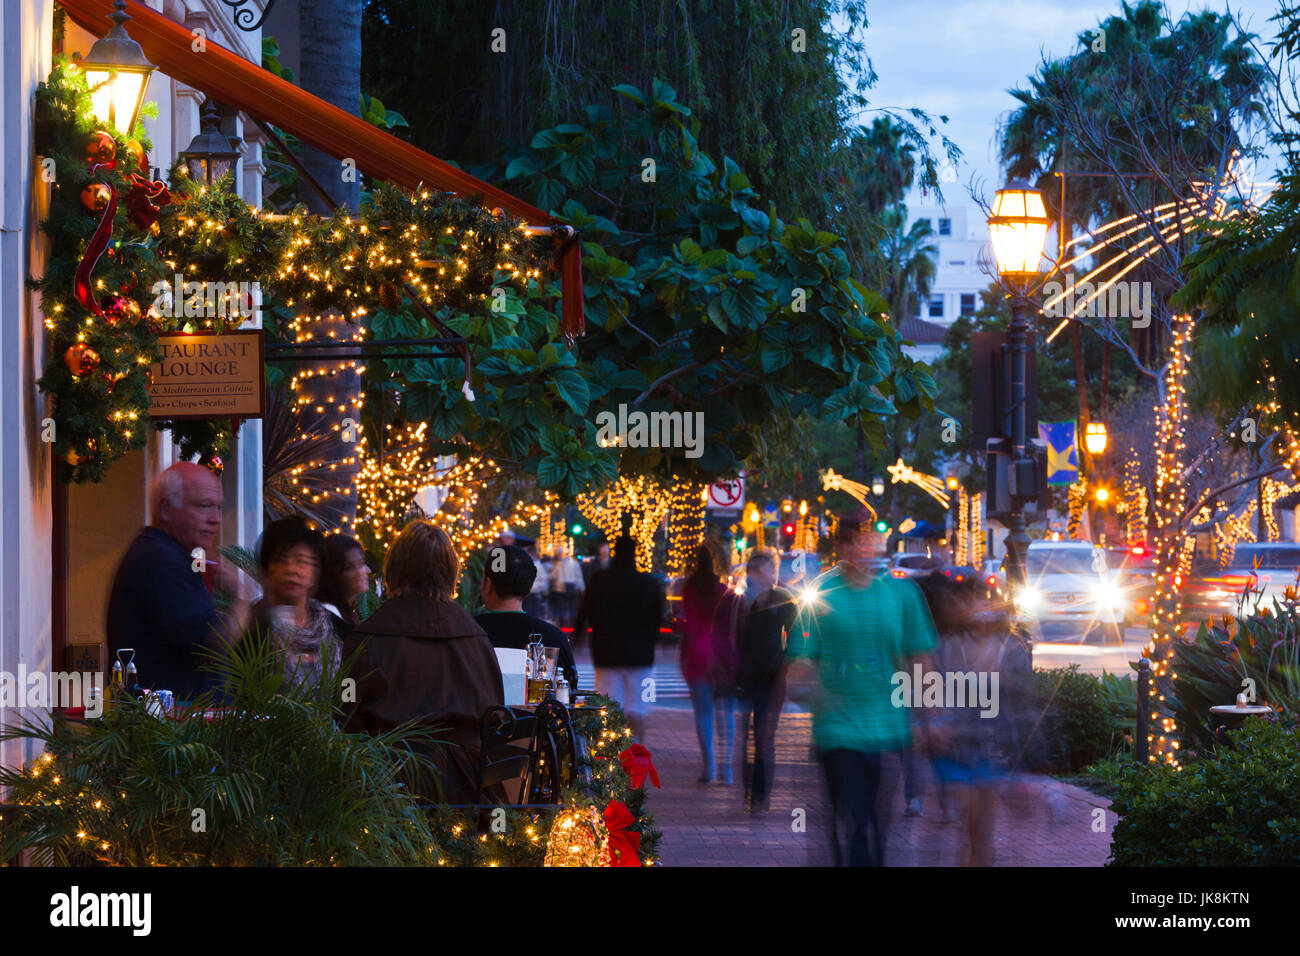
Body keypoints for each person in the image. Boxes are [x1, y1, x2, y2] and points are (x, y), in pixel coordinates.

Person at [788, 510, 937, 866]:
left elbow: (920, 658)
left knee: (876, 824)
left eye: (869, 539)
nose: (864, 547)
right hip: (837, 731)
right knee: (854, 822)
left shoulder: (902, 594)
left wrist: (931, 717)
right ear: (842, 546)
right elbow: (799, 661)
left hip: (888, 731)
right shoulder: (821, 593)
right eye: (856, 540)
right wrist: (807, 677)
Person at [342, 520, 504, 804]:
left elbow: (345, 718)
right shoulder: (476, 638)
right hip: (468, 793)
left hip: (388, 793)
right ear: (450, 572)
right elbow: (495, 716)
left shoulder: (367, 637)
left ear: (394, 568)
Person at [106, 461, 252, 700]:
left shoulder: (168, 554)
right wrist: (241, 598)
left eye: (218, 507)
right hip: (170, 728)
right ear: (165, 508)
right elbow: (213, 644)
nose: (215, 519)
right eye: (204, 506)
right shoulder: (160, 560)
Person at [716, 548, 797, 812]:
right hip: (746, 676)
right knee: (747, 737)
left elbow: (797, 634)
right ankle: (749, 787)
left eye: (769, 570)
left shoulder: (783, 599)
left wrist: (786, 661)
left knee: (763, 736)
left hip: (772, 677)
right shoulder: (740, 601)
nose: (769, 575)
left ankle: (760, 794)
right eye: (763, 570)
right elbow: (728, 636)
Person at [573, 534, 663, 743]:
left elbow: (584, 612)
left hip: (607, 654)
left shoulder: (599, 581)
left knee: (608, 710)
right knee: (637, 712)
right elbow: (657, 620)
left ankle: (612, 762)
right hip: (641, 656)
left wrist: (577, 639)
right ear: (635, 555)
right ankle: (636, 756)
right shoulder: (649, 583)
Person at [246, 517, 343, 692]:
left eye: (302, 561)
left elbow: (348, 695)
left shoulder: (338, 631)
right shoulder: (249, 629)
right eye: (280, 560)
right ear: (265, 570)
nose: (291, 569)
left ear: (316, 572)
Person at [475, 544, 579, 688]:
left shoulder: (466, 631)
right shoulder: (552, 637)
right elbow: (568, 693)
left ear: (487, 584)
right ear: (529, 587)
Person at [678, 545, 734, 784]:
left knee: (703, 712)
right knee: (726, 712)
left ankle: (709, 767)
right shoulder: (722, 589)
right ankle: (727, 770)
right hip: (721, 651)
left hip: (697, 650)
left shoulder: (689, 589)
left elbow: (688, 624)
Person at [316, 534, 371, 636]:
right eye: (359, 565)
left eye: (363, 563)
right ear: (333, 572)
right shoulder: (326, 620)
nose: (368, 571)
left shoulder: (347, 616)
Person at [548, 544, 585, 628]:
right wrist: (582, 588)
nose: (558, 555)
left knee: (563, 609)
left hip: (561, 590)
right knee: (572, 609)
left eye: (559, 553)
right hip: (571, 589)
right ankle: (573, 627)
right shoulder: (574, 563)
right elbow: (579, 577)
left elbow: (552, 576)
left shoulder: (559, 564)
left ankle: (563, 627)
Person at [524, 545, 549, 620]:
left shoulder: (537, 565)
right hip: (529, 592)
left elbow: (544, 579)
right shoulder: (527, 564)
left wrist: (537, 587)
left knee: (533, 612)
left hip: (533, 592)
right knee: (531, 612)